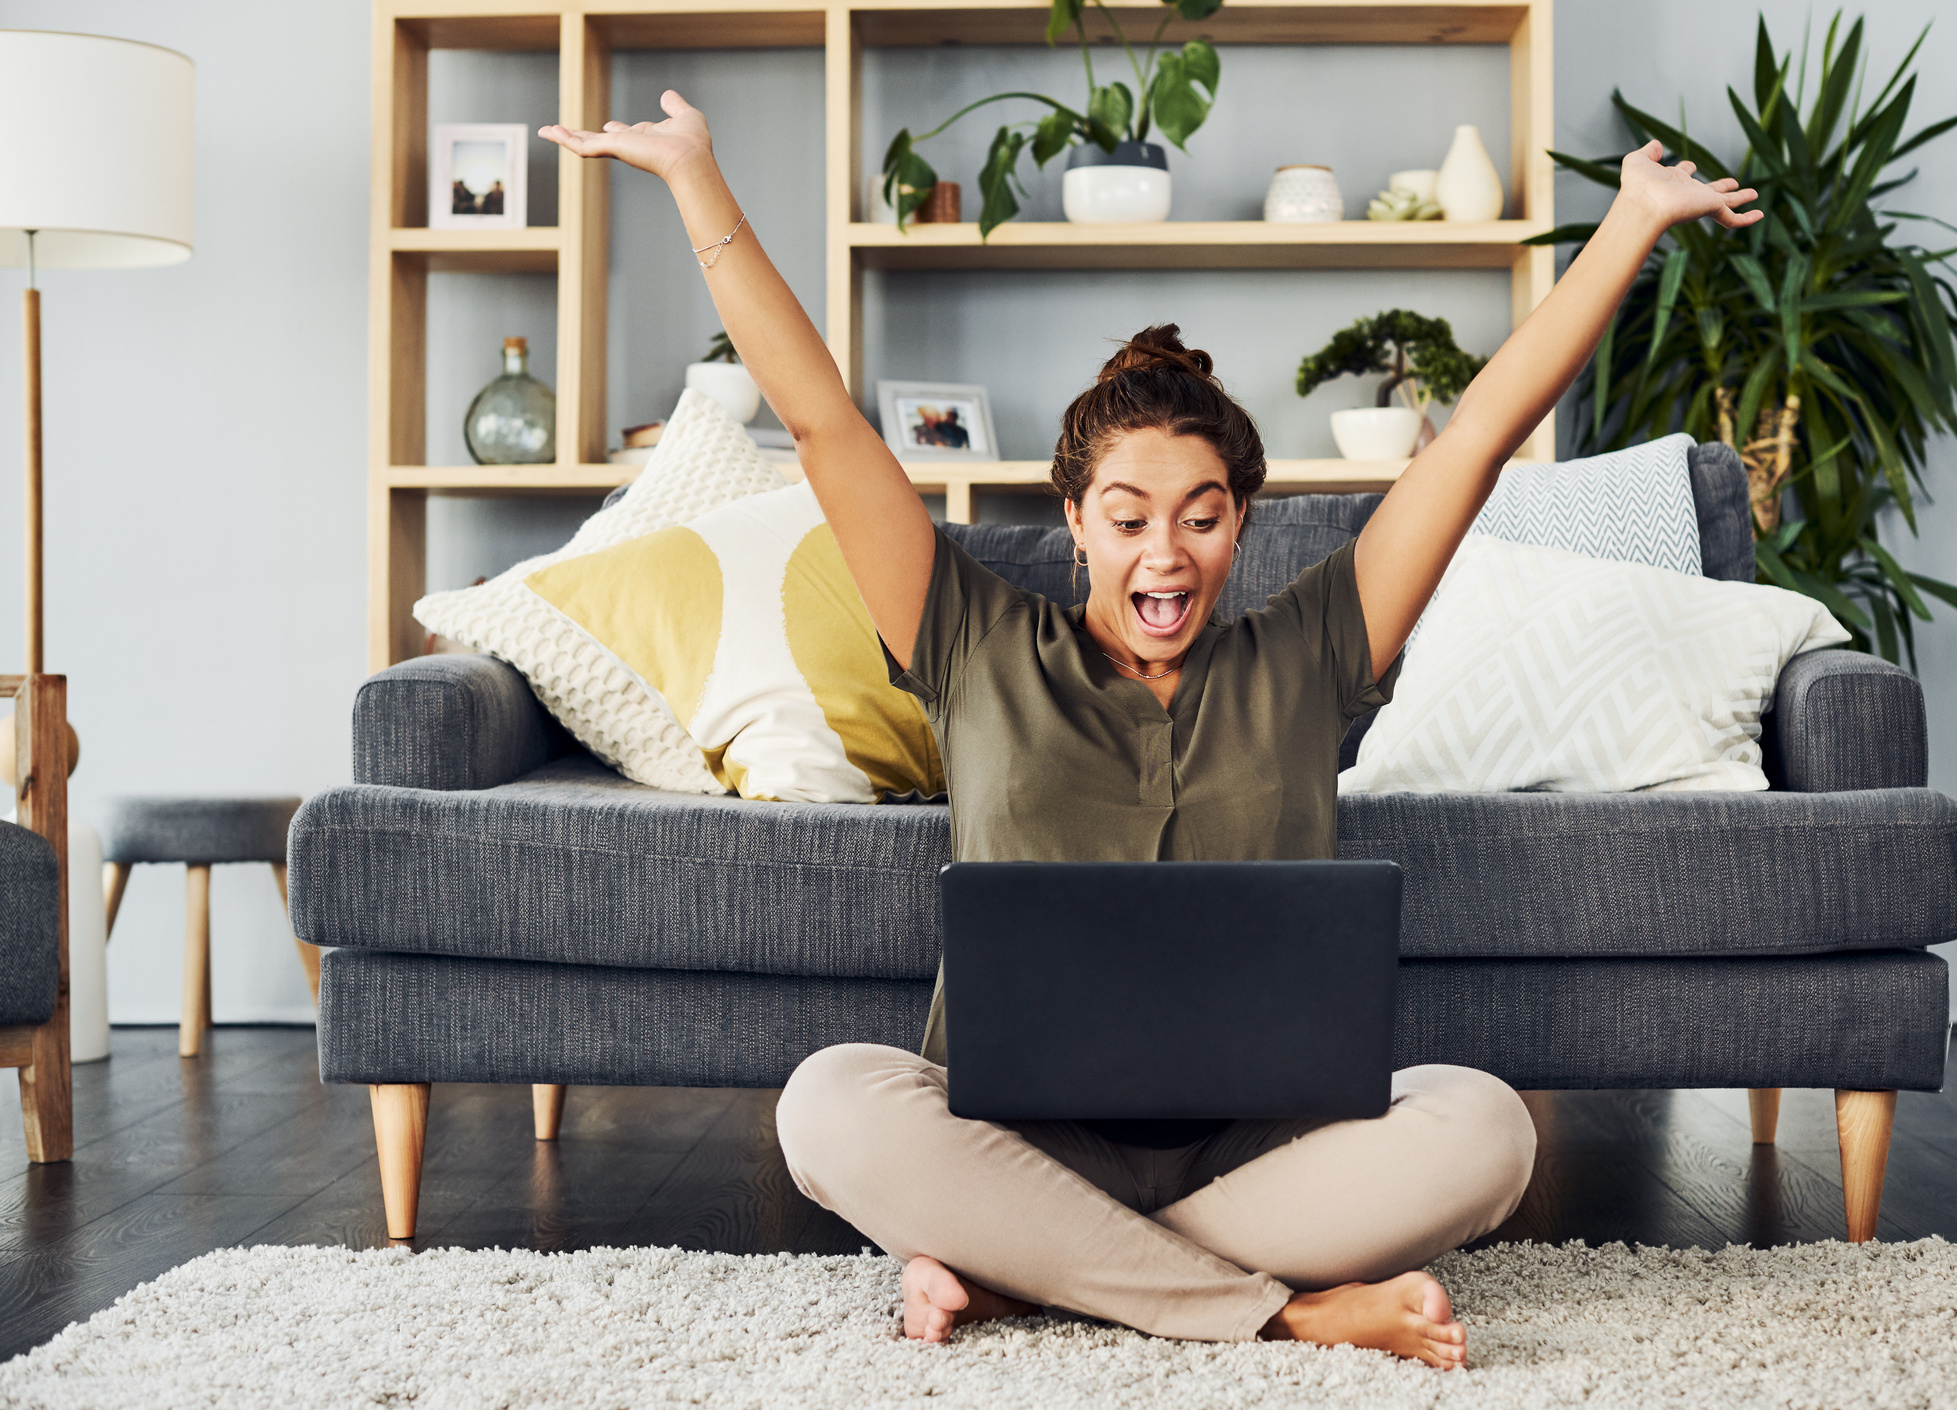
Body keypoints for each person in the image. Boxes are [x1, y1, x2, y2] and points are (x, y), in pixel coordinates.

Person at [540, 92, 1760, 1369]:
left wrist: (1630, 223)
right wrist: (695, 182)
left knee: (1487, 1127)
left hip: (1262, 1147)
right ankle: (1274, 1309)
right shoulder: (970, 637)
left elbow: (1482, 439)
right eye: (1128, 517)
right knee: (830, 1104)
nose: (1164, 555)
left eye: (1202, 516)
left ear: (1242, 521)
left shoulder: (1313, 647)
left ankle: (1043, 1271)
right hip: (1020, 1135)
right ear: (1073, 519)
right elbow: (821, 422)